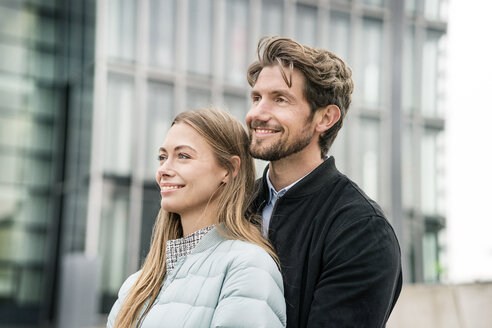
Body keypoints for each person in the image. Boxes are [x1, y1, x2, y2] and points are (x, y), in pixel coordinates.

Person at [246, 36, 402, 327]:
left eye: (280, 99)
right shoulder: (232, 205)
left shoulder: (362, 231)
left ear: (325, 118)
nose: (257, 114)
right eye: (256, 98)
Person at [107, 108, 286, 328]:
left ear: (229, 170)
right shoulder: (135, 286)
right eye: (162, 157)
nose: (164, 169)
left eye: (183, 156)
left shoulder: (248, 266)